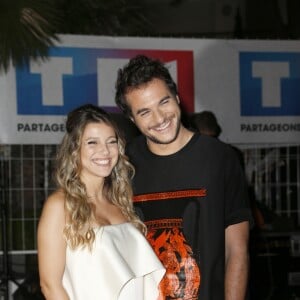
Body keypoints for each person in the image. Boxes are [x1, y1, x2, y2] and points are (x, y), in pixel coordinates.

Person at [115, 55, 252, 300]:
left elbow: (237, 250)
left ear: (177, 98)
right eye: (144, 112)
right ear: (132, 119)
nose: (159, 118)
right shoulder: (123, 163)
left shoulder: (219, 157)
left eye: (164, 102)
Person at [37, 104, 165, 300]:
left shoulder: (120, 201)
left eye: (111, 141)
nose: (104, 151)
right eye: (92, 142)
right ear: (74, 149)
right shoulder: (60, 206)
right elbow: (51, 286)